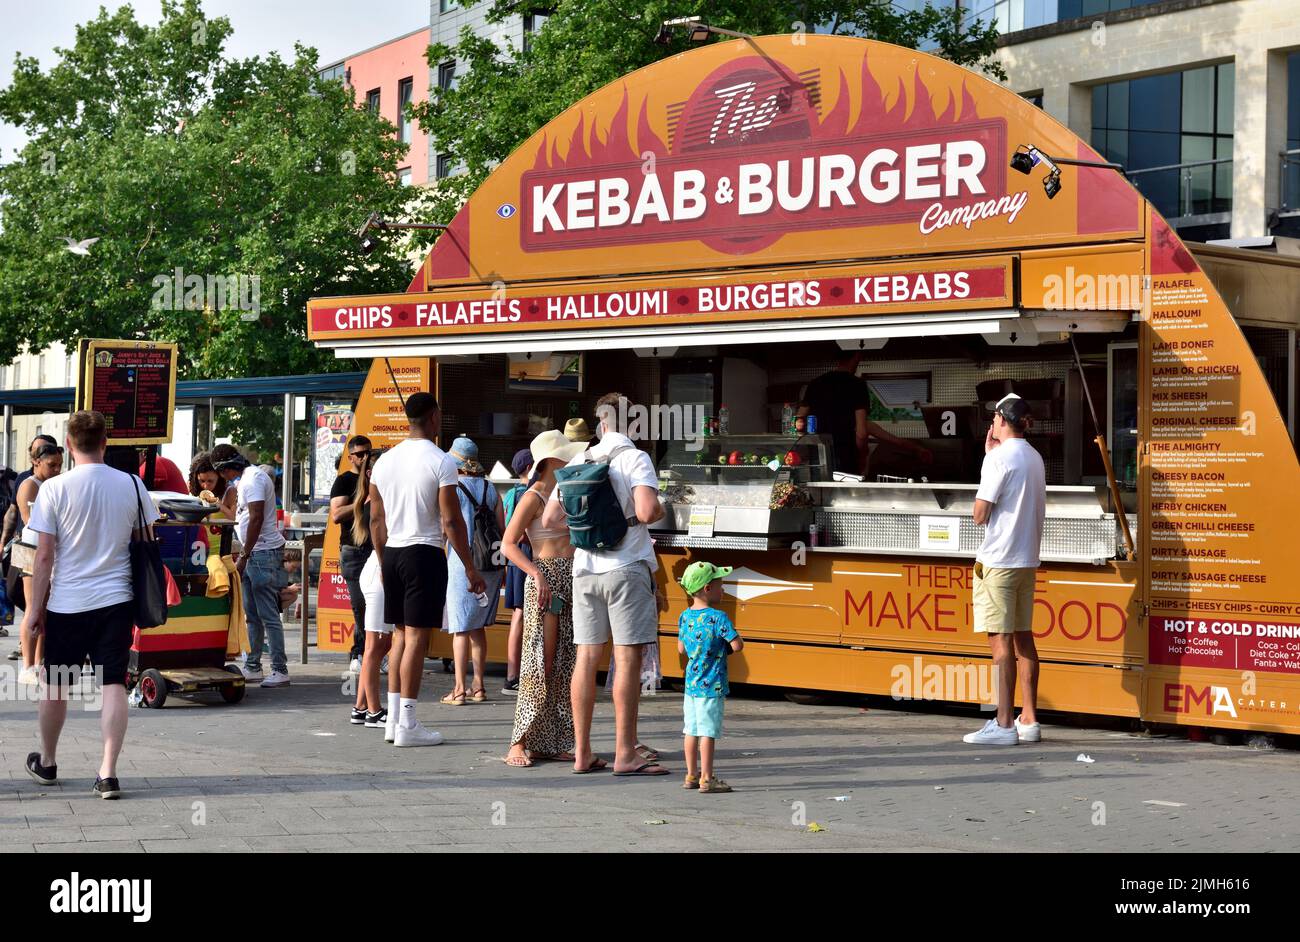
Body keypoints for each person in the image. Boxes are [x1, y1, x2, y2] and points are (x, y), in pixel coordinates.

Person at [22, 410, 159, 800]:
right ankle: (107, 772)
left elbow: (43, 556)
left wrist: (34, 612)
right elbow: (142, 540)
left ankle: (47, 761)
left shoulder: (54, 489)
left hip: (66, 603)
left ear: (67, 445)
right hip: (117, 599)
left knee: (56, 684)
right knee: (113, 682)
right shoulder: (131, 484)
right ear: (105, 443)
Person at [542, 392, 670, 776]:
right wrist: (658, 508)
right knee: (626, 658)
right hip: (626, 568)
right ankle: (625, 753)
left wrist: (589, 526)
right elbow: (647, 511)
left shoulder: (579, 459)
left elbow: (550, 518)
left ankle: (582, 753)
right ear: (633, 424)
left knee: (587, 658)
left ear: (600, 423)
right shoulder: (635, 458)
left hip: (584, 570)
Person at [369, 392, 484, 747]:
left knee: (401, 636)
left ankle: (393, 722)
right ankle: (407, 723)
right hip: (424, 551)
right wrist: (469, 566)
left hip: (392, 552)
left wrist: (382, 557)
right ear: (434, 417)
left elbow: (375, 517)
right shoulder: (442, 461)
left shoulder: (384, 461)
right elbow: (451, 520)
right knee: (417, 639)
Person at [963, 394, 1046, 746]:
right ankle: (1028, 718)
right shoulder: (1034, 456)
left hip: (998, 562)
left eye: (993, 418)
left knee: (1000, 645)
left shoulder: (999, 459)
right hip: (1027, 560)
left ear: (1000, 419)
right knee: (1024, 638)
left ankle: (1003, 724)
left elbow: (980, 513)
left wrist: (989, 459)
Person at [501, 430, 584, 768]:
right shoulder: (533, 495)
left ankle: (553, 739)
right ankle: (519, 741)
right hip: (547, 577)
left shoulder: (566, 490)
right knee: (540, 660)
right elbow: (508, 543)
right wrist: (535, 573)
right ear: (551, 461)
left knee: (568, 662)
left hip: (572, 575)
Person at [211, 443, 290, 688]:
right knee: (252, 616)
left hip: (261, 553)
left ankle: (279, 669)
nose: (223, 478)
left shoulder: (253, 479)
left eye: (222, 473)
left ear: (227, 468)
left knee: (268, 616)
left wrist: (244, 554)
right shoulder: (244, 481)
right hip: (255, 552)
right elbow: (242, 516)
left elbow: (256, 517)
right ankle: (253, 665)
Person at [798, 349, 932, 476]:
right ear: (857, 356)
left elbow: (798, 421)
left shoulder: (816, 384)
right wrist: (863, 457)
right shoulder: (856, 386)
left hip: (818, 460)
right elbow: (862, 433)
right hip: (847, 462)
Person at [441, 436, 504, 705]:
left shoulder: (452, 488)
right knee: (478, 627)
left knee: (461, 628)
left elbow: (447, 525)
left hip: (462, 562)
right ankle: (478, 686)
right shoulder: (491, 489)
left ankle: (458, 688)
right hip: (489, 563)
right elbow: (500, 527)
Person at [677, 561, 744, 793]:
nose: (723, 589)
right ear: (707, 588)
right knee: (708, 732)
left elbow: (681, 649)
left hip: (690, 685)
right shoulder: (718, 618)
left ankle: (690, 775)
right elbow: (737, 646)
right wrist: (721, 648)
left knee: (690, 730)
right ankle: (707, 778)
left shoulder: (684, 617)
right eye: (720, 584)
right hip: (712, 685)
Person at [12, 440, 64, 685]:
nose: (57, 470)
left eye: (60, 465)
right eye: (52, 465)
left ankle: (39, 663)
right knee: (33, 607)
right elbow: (31, 521)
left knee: (44, 609)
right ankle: (27, 666)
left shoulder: (51, 484)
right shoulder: (29, 485)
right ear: (36, 462)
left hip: (47, 549)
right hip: (31, 549)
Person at [349, 449, 391, 729]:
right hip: (378, 572)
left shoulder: (371, 496)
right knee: (375, 646)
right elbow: (380, 533)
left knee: (379, 644)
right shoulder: (373, 498)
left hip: (377, 570)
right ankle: (373, 710)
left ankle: (361, 706)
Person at [330, 435, 373, 676]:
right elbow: (336, 514)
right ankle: (358, 651)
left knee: (376, 604)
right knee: (360, 604)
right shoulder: (345, 480)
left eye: (368, 452)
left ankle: (370, 650)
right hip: (354, 549)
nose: (365, 457)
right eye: (359, 454)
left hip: (376, 548)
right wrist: (362, 501)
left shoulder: (376, 478)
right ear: (351, 457)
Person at [501, 448, 535, 695]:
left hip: (514, 562)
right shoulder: (528, 494)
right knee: (523, 614)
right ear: (528, 467)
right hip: (527, 558)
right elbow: (519, 532)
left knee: (519, 613)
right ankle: (515, 675)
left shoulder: (511, 493)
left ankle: (513, 674)